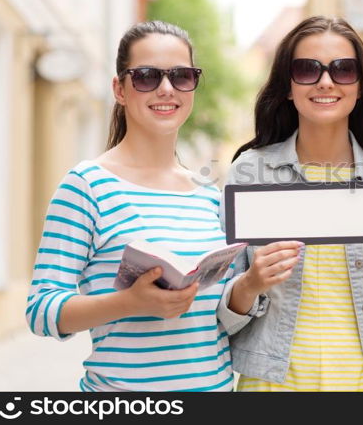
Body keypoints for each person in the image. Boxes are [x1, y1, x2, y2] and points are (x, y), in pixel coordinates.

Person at [218, 15, 363, 391]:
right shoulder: (250, 174)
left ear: (361, 86)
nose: (326, 81)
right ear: (288, 86)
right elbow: (220, 313)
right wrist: (251, 282)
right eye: (307, 69)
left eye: (343, 70)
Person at [26, 21, 238, 391]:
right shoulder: (86, 186)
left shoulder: (207, 193)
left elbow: (217, 316)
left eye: (181, 76)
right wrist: (129, 302)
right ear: (119, 90)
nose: (166, 89)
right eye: (146, 77)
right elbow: (41, 310)